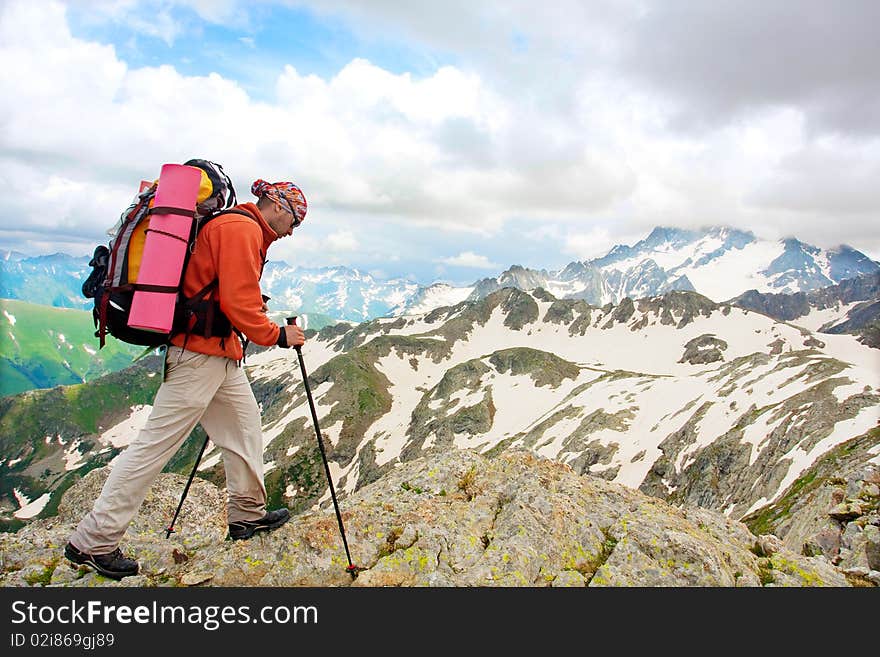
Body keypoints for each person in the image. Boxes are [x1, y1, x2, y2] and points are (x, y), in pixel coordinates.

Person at [64, 178, 310, 580]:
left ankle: (246, 514)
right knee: (152, 448)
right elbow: (237, 300)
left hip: (219, 354)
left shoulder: (240, 228)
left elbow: (223, 292)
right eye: (295, 221)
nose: (292, 231)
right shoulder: (241, 229)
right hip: (199, 356)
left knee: (245, 427)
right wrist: (277, 335)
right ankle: (93, 541)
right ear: (277, 205)